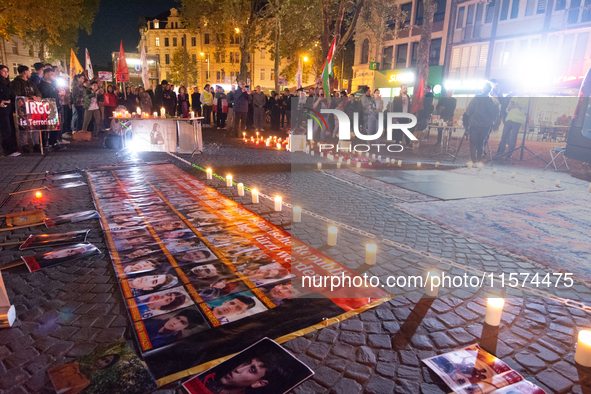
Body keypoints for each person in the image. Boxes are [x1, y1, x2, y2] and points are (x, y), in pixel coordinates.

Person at [204, 353, 288, 394]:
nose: (238, 369)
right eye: (247, 362)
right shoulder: (206, 378)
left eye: (252, 370)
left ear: (258, 383)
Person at [49, 353, 121, 394]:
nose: (100, 362)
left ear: (105, 367)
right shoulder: (75, 365)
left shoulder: (85, 381)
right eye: (102, 359)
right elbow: (51, 370)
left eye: (106, 362)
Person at [464, 83, 500, 163]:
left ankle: (474, 161)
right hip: (486, 125)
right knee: (481, 143)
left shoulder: (476, 99)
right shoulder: (494, 101)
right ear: (491, 90)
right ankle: (479, 160)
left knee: (473, 143)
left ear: (482, 89)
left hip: (474, 124)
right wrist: (491, 120)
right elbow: (497, 113)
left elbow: (468, 111)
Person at [11, 65, 42, 152]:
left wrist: (37, 97)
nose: (30, 73)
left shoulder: (32, 83)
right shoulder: (16, 83)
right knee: (23, 127)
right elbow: (17, 95)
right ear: (25, 72)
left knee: (35, 126)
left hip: (33, 109)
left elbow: (38, 93)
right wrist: (31, 97)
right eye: (29, 71)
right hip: (22, 109)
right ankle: (24, 145)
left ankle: (36, 144)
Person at [38, 67, 64, 150]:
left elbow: (55, 97)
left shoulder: (53, 85)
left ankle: (53, 142)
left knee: (55, 126)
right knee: (45, 127)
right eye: (52, 74)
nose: (54, 76)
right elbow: (45, 95)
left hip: (54, 108)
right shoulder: (41, 85)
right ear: (46, 74)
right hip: (45, 109)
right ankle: (44, 144)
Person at [496, 95, 528, 159]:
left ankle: (509, 154)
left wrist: (519, 107)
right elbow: (507, 110)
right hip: (509, 119)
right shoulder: (514, 97)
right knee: (504, 136)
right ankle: (501, 152)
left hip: (517, 121)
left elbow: (526, 112)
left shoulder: (527, 99)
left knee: (513, 138)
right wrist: (509, 108)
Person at [0, 65, 19, 156]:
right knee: (6, 128)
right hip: (2, 108)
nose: (6, 73)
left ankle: (13, 148)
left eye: (7, 71)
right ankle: (8, 150)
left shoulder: (8, 84)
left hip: (9, 107)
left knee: (11, 127)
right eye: (3, 71)